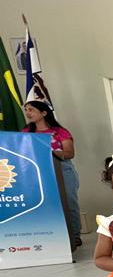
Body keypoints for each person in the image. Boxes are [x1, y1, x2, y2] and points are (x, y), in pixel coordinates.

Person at [23, 101, 82, 247]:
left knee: (69, 202)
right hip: (37, 171)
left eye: (31, 110)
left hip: (62, 169)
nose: (28, 113)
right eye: (26, 110)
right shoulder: (26, 132)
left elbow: (70, 153)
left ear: (43, 113)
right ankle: (51, 236)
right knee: (42, 203)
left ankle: (75, 235)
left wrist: (49, 152)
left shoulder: (60, 132)